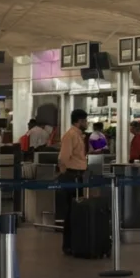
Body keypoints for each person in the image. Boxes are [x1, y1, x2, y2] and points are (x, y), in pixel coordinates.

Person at [58, 109, 90, 255]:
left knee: (76, 212)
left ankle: (76, 243)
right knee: (71, 212)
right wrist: (65, 174)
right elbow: (63, 158)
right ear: (79, 121)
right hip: (72, 176)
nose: (87, 123)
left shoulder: (79, 136)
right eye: (85, 121)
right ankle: (68, 245)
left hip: (78, 175)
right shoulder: (70, 136)